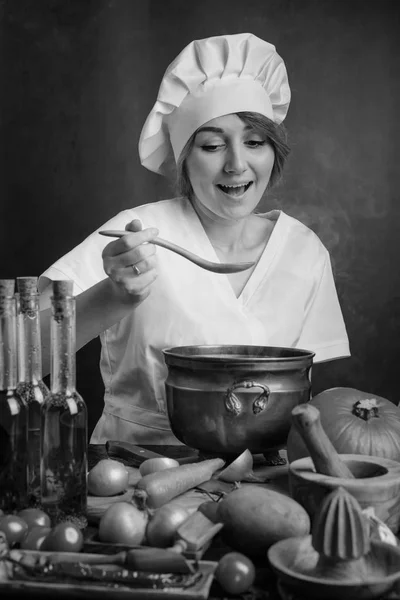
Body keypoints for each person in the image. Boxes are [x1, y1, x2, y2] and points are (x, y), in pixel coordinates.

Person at [39, 33, 350, 446]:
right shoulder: (135, 234)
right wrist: (115, 297)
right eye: (212, 145)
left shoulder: (303, 249)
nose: (237, 164)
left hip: (261, 478)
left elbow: (303, 401)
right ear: (184, 159)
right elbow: (14, 356)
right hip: (133, 469)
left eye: (255, 142)